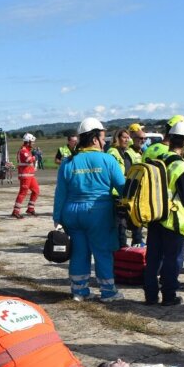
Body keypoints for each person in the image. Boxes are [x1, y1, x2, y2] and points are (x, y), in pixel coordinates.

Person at [54, 117, 126, 302]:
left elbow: (60, 193)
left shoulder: (68, 162)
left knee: (79, 252)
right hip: (98, 212)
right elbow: (122, 187)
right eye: (102, 137)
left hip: (71, 213)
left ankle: (79, 291)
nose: (104, 141)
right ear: (94, 139)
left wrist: (57, 217)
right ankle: (108, 291)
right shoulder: (108, 159)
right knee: (102, 251)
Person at [143, 120, 184, 306]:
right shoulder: (180, 166)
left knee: (153, 258)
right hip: (173, 219)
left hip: (154, 216)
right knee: (172, 259)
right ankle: (169, 295)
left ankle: (150, 295)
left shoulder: (158, 160)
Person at [12, 133, 40, 218]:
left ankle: (30, 209)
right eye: (32, 142)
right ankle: (16, 211)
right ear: (28, 142)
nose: (33, 143)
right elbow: (29, 160)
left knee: (36, 191)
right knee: (23, 193)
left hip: (30, 175)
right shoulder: (23, 150)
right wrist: (35, 157)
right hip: (25, 175)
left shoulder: (27, 150)